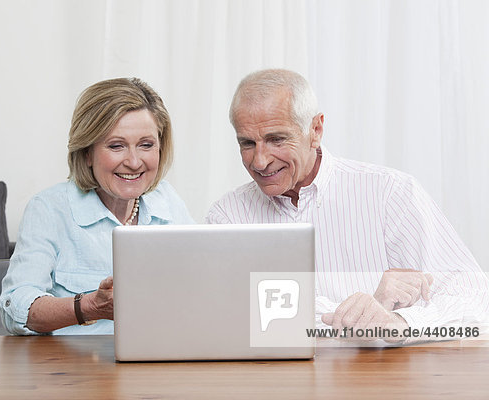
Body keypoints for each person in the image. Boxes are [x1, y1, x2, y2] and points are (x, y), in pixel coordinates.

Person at [207, 69, 489, 342]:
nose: (259, 161)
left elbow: (475, 296)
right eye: (247, 143)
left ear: (315, 130)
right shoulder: (227, 217)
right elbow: (229, 318)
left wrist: (399, 323)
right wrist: (362, 318)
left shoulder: (390, 193)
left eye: (276, 139)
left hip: (381, 384)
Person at [0, 78, 194, 335]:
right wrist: (89, 306)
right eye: (116, 146)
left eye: (146, 145)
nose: (134, 162)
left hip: (154, 363)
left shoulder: (167, 200)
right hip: (76, 367)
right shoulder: (49, 208)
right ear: (87, 153)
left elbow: (199, 286)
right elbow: (15, 307)